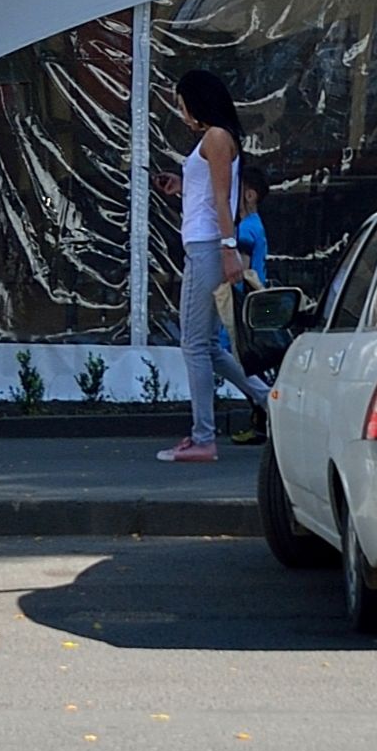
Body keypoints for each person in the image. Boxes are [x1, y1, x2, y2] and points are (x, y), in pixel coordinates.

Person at [158, 68, 249, 461]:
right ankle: (271, 399)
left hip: (206, 245)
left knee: (193, 345)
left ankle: (203, 437)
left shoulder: (215, 137)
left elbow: (221, 197)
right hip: (207, 244)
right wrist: (182, 185)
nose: (183, 114)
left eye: (183, 105)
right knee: (207, 344)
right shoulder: (218, 137)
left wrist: (229, 248)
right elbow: (213, 192)